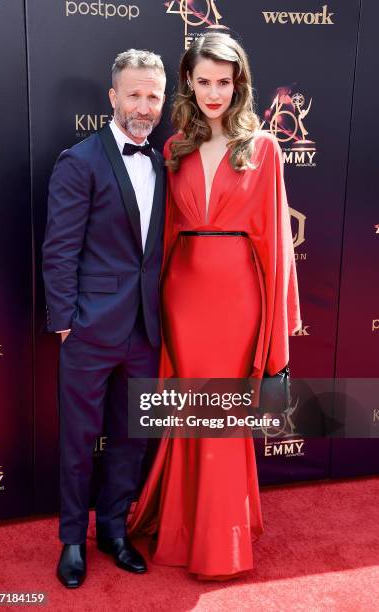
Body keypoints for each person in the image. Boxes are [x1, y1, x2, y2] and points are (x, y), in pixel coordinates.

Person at [128, 33, 302, 580]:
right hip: (182, 298)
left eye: (223, 82)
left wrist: (278, 326)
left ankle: (218, 545)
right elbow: (164, 237)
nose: (213, 92)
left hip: (236, 300)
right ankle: (180, 533)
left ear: (238, 85)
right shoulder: (175, 147)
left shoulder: (264, 148)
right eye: (202, 81)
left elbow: (276, 242)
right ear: (188, 83)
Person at [42, 49, 166, 588]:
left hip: (145, 328)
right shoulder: (81, 160)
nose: (144, 106)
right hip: (89, 328)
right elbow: (59, 248)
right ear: (112, 96)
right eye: (134, 94)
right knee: (78, 437)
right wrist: (64, 321)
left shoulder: (164, 162)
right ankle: (72, 539)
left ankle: (114, 531)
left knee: (130, 438)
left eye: (153, 96)